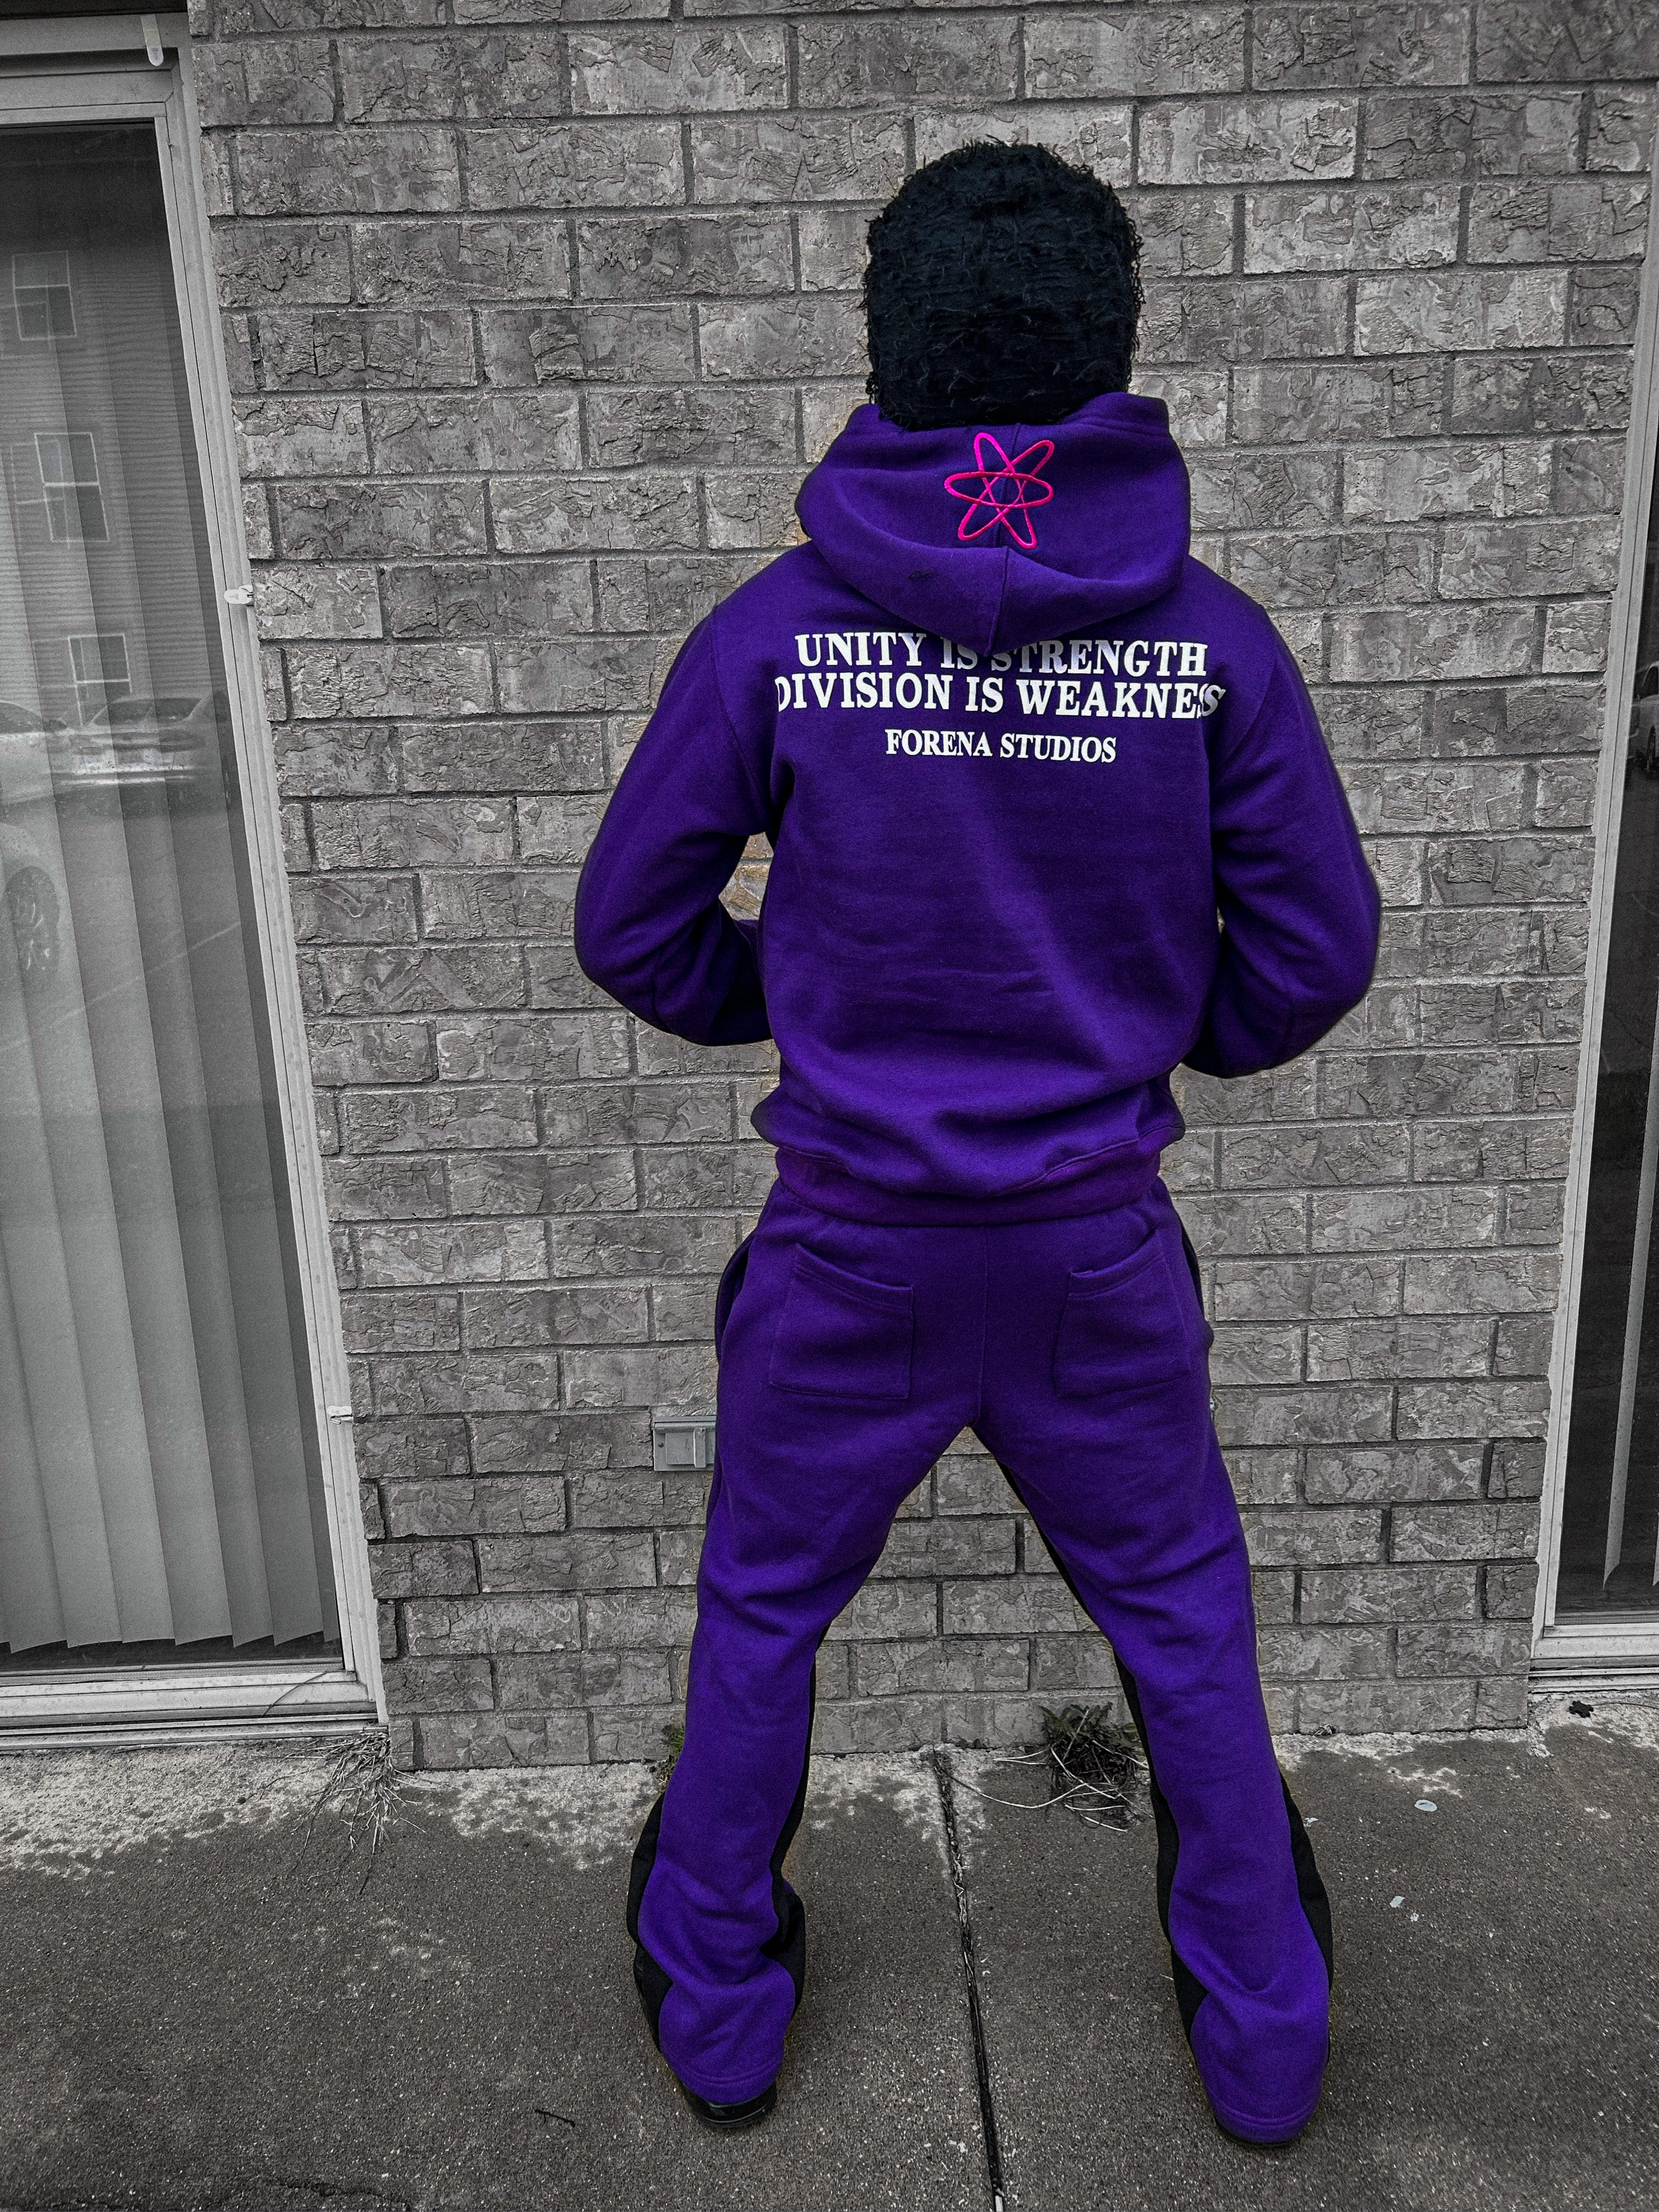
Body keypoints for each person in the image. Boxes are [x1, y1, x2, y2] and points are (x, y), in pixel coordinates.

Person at [574, 141, 1380, 2148]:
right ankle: (1266, 2043)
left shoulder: (778, 635)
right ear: (1112, 359)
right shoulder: (1211, 645)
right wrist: (1160, 1022)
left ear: (890, 353)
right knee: (1182, 1625)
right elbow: (1317, 952)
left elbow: (631, 927)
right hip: (1093, 1250)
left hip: (850, 1249)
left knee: (764, 1614)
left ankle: (721, 2021)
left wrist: (806, 1001)